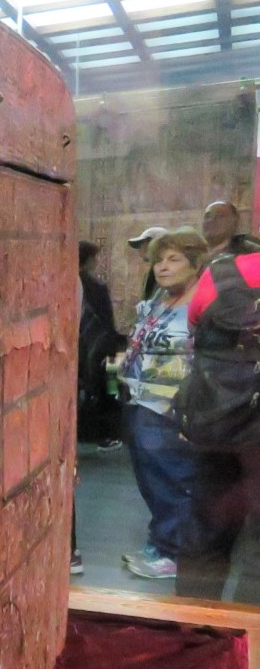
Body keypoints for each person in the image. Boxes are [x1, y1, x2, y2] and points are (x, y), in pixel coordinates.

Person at [116, 228, 207, 580]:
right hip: (141, 399)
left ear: (195, 264)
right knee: (150, 478)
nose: (162, 267)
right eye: (158, 261)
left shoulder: (202, 301)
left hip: (171, 406)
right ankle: (161, 542)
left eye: (173, 259)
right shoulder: (160, 297)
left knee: (173, 478)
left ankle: (175, 553)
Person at [177, 235, 260, 603]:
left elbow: (196, 332)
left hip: (219, 420)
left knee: (207, 524)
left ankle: (194, 625)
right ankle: (251, 630)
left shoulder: (221, 273)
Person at [77, 241, 124, 451]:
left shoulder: (63, 282)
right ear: (88, 260)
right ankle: (105, 435)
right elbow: (106, 321)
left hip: (78, 348)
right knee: (108, 388)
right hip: (100, 349)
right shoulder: (96, 287)